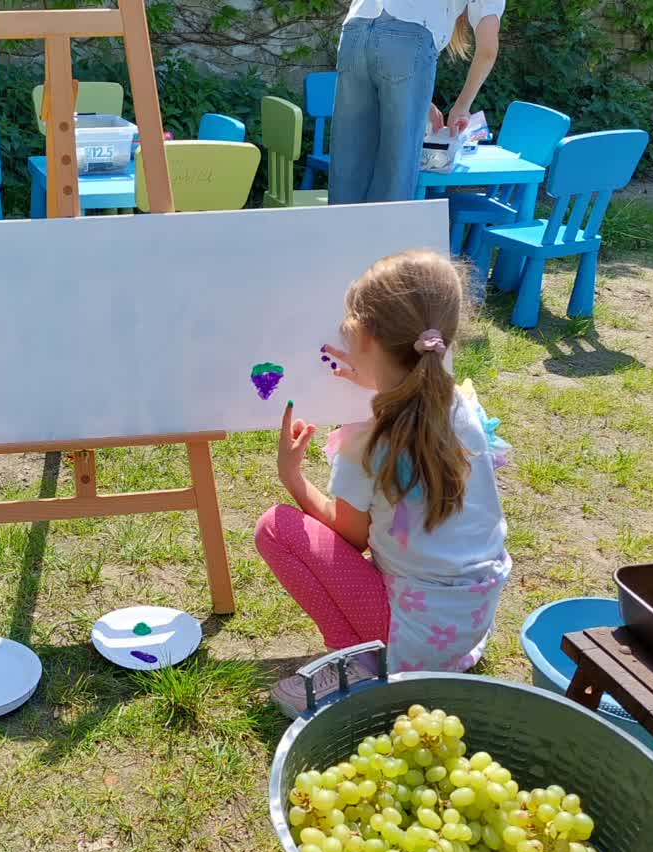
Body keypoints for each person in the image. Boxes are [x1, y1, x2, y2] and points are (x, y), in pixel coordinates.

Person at [256, 250, 510, 717]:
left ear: (365, 337)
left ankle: (359, 663)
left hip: (409, 636)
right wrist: (378, 380)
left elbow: (349, 537)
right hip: (468, 621)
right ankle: (420, 658)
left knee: (275, 527)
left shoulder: (369, 440)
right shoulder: (462, 405)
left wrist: (292, 477)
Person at [329, 0, 503, 205]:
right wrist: (462, 106)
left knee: (348, 164)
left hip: (355, 32)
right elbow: (488, 50)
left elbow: (380, 45)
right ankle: (386, 226)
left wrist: (423, 102)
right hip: (409, 36)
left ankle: (340, 225)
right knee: (396, 171)